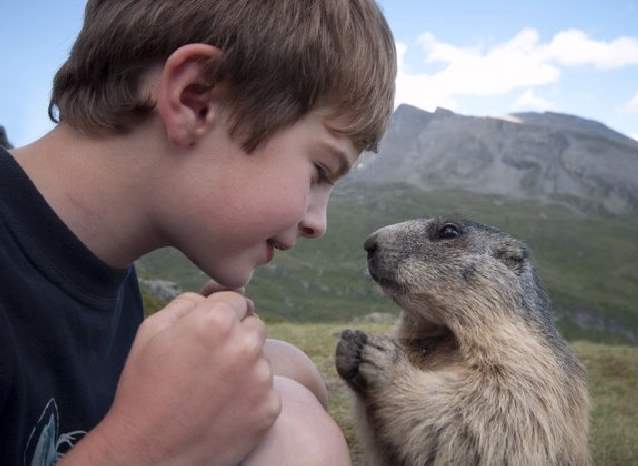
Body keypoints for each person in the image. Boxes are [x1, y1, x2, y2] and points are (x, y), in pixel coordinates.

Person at [0, 0, 396, 465]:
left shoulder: (110, 278)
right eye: (319, 170)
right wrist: (146, 446)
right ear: (196, 99)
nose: (317, 223)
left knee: (287, 370)